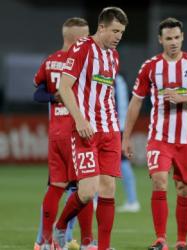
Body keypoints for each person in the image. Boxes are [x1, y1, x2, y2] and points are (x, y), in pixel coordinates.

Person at [122, 17, 187, 250]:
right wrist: (126, 136)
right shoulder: (150, 67)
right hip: (159, 137)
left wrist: (183, 98)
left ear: (182, 37)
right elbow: (135, 102)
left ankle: (182, 241)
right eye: (168, 38)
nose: (173, 42)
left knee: (183, 188)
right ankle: (161, 239)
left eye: (177, 37)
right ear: (160, 40)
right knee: (159, 181)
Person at [53, 7, 128, 250]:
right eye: (115, 31)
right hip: (86, 131)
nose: (118, 36)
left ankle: (103, 247)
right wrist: (80, 120)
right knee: (87, 191)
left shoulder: (114, 56)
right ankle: (61, 225)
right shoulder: (82, 47)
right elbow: (64, 88)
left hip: (110, 130)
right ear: (102, 27)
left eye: (122, 32)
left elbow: (106, 94)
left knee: (108, 189)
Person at [32, 17, 95, 250]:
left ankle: (45, 242)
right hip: (77, 131)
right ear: (78, 38)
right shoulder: (83, 61)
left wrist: (53, 97)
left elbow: (38, 94)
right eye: (86, 36)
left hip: (55, 133)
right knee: (84, 188)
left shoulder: (50, 62)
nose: (89, 40)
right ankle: (88, 241)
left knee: (56, 186)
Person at [115, 74, 141, 213]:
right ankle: (132, 200)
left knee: (122, 162)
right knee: (122, 163)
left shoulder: (115, 80)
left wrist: (122, 130)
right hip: (118, 126)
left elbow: (121, 106)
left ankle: (132, 200)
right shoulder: (119, 80)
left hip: (116, 127)